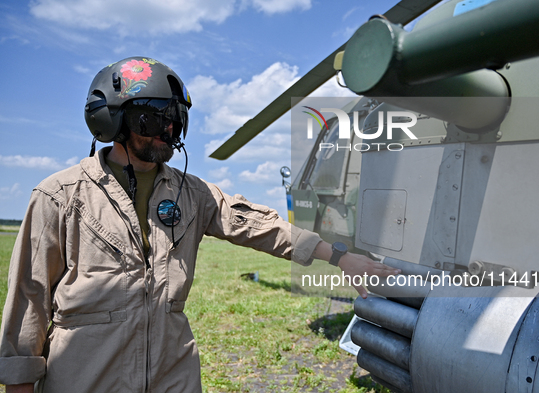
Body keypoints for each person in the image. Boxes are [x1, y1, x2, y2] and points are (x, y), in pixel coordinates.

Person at [0, 57, 401, 393]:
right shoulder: (60, 195)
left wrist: (340, 257)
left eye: (176, 118)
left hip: (172, 375)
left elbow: (257, 224)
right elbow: (27, 301)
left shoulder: (192, 193)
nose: (170, 130)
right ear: (114, 120)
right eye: (155, 119)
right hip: (86, 378)